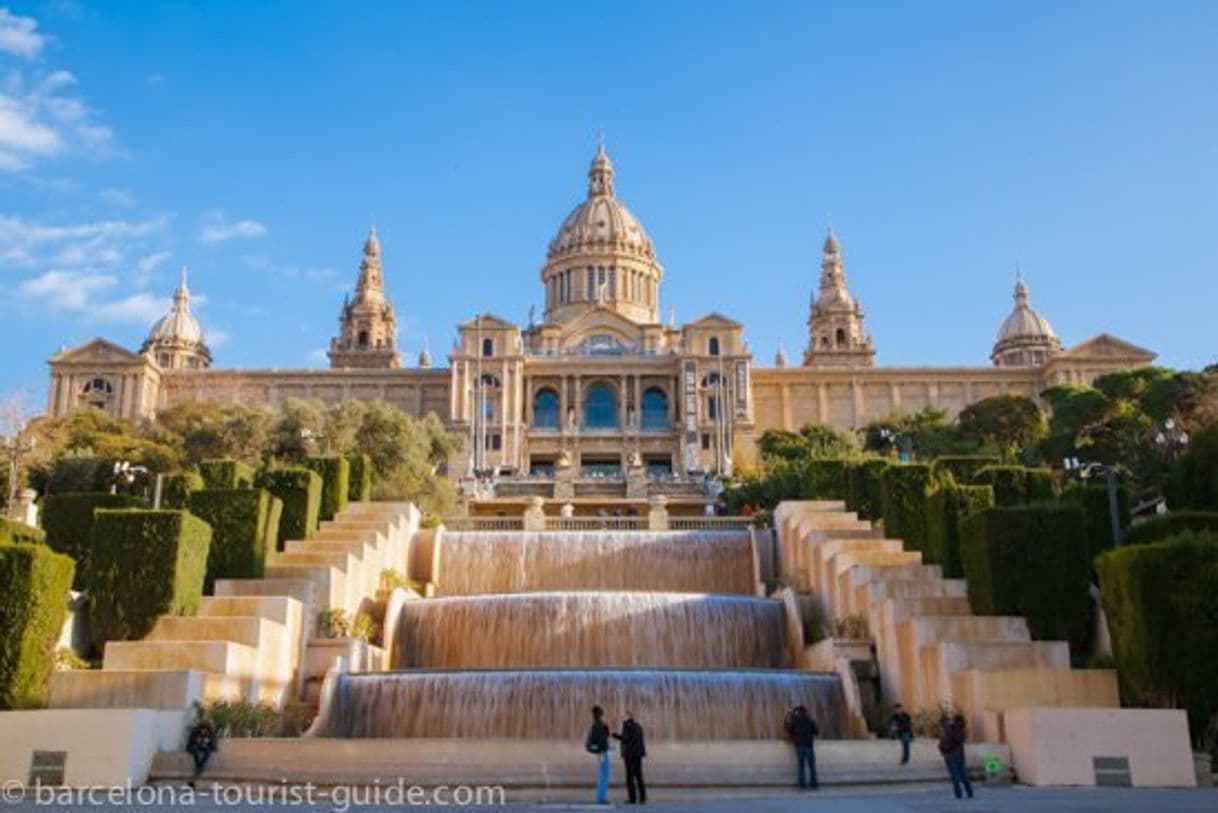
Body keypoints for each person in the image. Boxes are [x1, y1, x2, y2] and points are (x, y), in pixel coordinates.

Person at [612, 711, 647, 805]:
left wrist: (615, 735)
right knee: (639, 776)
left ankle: (632, 799)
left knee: (629, 777)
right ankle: (643, 798)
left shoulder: (626, 725)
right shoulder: (638, 726)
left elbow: (625, 739)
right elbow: (638, 739)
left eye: (624, 716)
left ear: (629, 717)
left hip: (630, 755)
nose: (622, 718)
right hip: (638, 754)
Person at [938, 713, 974, 799]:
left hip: (950, 755)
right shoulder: (961, 730)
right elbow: (956, 741)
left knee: (954, 776)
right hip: (958, 755)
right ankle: (968, 792)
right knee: (962, 774)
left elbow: (945, 742)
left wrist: (942, 749)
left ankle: (959, 794)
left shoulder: (949, 729)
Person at [784, 704, 819, 790]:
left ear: (797, 712)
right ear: (805, 712)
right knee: (812, 766)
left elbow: (788, 730)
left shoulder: (794, 721)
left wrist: (789, 717)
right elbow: (816, 732)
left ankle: (802, 784)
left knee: (801, 766)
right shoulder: (809, 720)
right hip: (809, 746)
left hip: (799, 746)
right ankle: (814, 783)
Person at [585, 705, 611, 805]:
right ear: (600, 714)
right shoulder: (599, 724)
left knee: (603, 774)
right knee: (604, 775)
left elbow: (604, 736)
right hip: (602, 752)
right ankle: (601, 798)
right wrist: (603, 749)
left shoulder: (596, 724)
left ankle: (601, 797)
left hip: (601, 752)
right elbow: (602, 739)